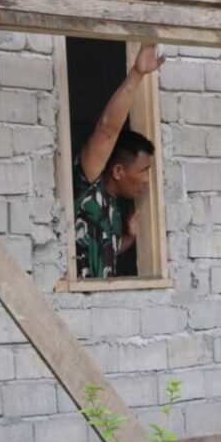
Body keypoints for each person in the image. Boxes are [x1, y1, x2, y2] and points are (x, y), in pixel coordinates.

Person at [74, 43, 165, 278]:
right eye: (143, 170)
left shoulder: (113, 210)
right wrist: (137, 74)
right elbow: (107, 131)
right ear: (117, 171)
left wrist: (130, 238)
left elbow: (108, 251)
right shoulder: (88, 185)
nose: (146, 180)